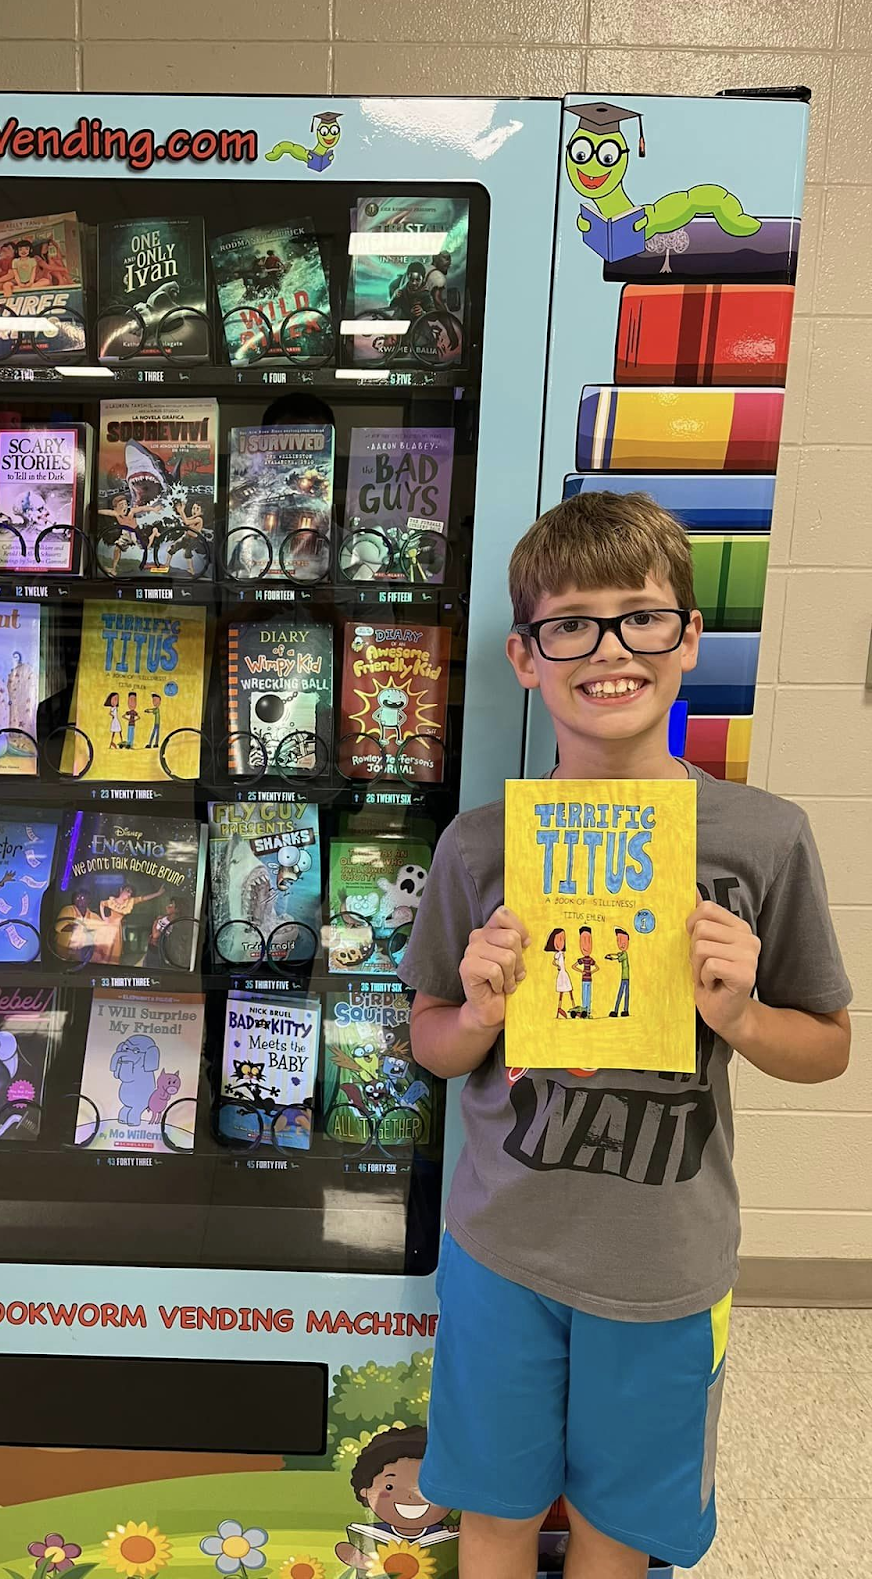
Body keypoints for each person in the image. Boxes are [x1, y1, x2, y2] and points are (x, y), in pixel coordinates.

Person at [397, 491, 852, 1579]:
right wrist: (478, 1013)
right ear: (526, 654)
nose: (610, 651)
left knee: (621, 1530)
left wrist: (739, 1013)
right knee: (497, 1512)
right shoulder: (479, 845)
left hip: (667, 1261)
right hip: (503, 1244)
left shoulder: (764, 836)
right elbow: (431, 1043)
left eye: (642, 617)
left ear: (689, 638)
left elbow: (828, 1045)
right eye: (573, 624)